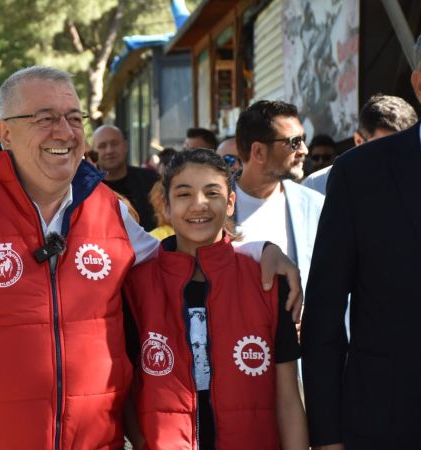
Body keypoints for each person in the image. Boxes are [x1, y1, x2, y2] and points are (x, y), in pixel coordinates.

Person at [0, 66, 302, 450]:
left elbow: (175, 256)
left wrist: (255, 250)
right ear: (4, 133)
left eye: (74, 118)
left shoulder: (109, 209)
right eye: (44, 118)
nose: (63, 131)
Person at [124, 149, 307, 450]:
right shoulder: (137, 287)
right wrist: (144, 441)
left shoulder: (269, 282)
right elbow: (126, 388)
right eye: (184, 194)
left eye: (212, 192)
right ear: (166, 207)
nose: (199, 204)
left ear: (231, 202)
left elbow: (288, 397)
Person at [301, 35, 421, 450]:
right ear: (420, 84)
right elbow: (323, 313)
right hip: (386, 423)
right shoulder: (360, 174)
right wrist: (327, 434)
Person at [234, 100, 324, 292]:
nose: (304, 151)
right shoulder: (214, 206)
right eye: (294, 142)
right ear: (258, 151)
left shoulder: (314, 205)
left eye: (303, 139)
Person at [302, 94, 418, 195]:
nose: (395, 157)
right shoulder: (316, 186)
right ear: (359, 141)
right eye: (384, 148)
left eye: (405, 147)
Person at [92, 124, 159, 231]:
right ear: (93, 153)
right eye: (102, 146)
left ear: (126, 146)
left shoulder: (151, 181)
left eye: (114, 144)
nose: (109, 150)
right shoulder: (86, 189)